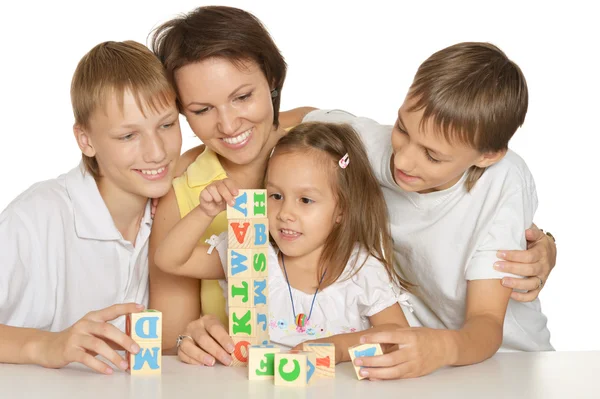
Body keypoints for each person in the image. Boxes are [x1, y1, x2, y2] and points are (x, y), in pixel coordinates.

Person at [147, 5, 557, 367]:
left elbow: (304, 123)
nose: (405, 162)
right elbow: (170, 327)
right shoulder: (190, 195)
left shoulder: (335, 155)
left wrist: (543, 246)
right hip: (273, 373)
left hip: (490, 360)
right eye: (200, 110)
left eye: (242, 97)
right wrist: (186, 162)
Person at [303, 42, 554, 379]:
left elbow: (486, 321)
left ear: (487, 155)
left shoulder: (502, 181)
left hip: (508, 361)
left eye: (433, 156)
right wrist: (205, 151)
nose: (403, 160)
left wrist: (441, 347)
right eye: (402, 129)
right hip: (420, 356)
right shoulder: (371, 145)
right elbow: (302, 120)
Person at [154, 122, 411, 362]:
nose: (285, 213)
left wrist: (339, 347)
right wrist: (205, 212)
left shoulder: (360, 268)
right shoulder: (251, 252)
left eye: (305, 200)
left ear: (342, 210)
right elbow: (170, 260)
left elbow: (398, 335)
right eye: (276, 195)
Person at [0, 40, 182, 374]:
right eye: (128, 136)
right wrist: (47, 344)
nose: (157, 152)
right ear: (86, 140)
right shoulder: (35, 218)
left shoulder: (173, 213)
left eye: (167, 125)